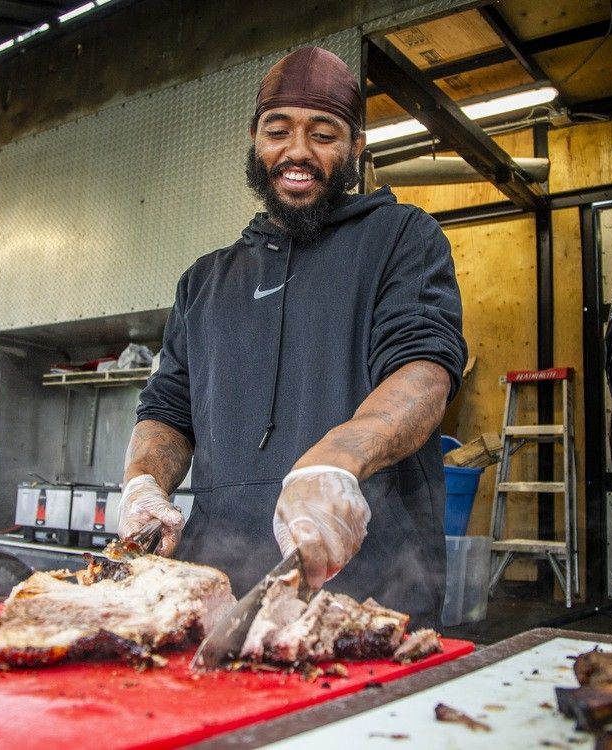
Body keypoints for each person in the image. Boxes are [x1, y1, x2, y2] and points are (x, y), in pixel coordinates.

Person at [118, 46, 467, 627]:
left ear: (356, 146)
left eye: (323, 134)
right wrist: (143, 484)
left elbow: (424, 372)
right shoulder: (203, 281)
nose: (297, 151)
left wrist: (335, 463)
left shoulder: (402, 238)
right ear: (256, 139)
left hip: (369, 590)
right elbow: (167, 411)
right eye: (278, 131)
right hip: (215, 594)